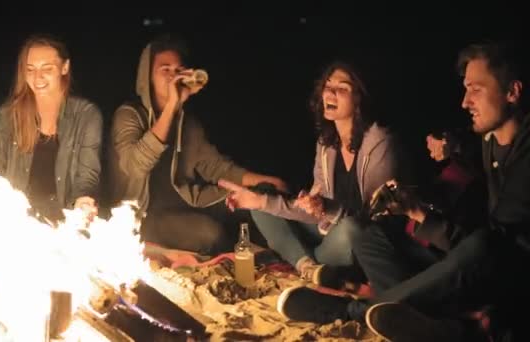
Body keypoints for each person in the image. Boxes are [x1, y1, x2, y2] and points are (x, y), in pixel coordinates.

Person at [276, 40, 529, 342]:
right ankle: (437, 326)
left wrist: (422, 215)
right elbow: (466, 147)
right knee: (371, 237)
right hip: (475, 261)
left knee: (481, 245)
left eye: (476, 89)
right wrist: (419, 198)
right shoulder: (489, 140)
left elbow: (496, 250)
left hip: (511, 276)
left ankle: (351, 311)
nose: (464, 102)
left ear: (513, 92)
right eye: (465, 89)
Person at [218, 60, 404, 287]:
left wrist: (325, 209)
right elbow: (316, 213)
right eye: (328, 86)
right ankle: (308, 267)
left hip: (360, 243)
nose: (331, 92)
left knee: (352, 229)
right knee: (261, 204)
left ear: (359, 98)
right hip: (327, 232)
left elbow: (374, 219)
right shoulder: (327, 144)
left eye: (342, 88)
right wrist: (264, 201)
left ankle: (303, 258)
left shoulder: (380, 142)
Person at [108, 33, 287, 255]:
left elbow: (216, 167)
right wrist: (172, 105)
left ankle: (286, 262)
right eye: (165, 70)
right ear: (147, 77)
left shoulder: (187, 123)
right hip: (145, 216)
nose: (173, 77)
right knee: (211, 235)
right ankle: (231, 266)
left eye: (178, 70)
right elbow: (135, 165)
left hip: (189, 201)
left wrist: (263, 182)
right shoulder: (129, 115)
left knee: (259, 200)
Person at [0, 33, 103, 226]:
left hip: (65, 225)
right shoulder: (8, 116)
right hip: (16, 222)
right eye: (30, 70)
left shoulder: (86, 115)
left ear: (64, 68)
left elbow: (87, 176)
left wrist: (84, 203)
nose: (37, 77)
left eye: (47, 69)